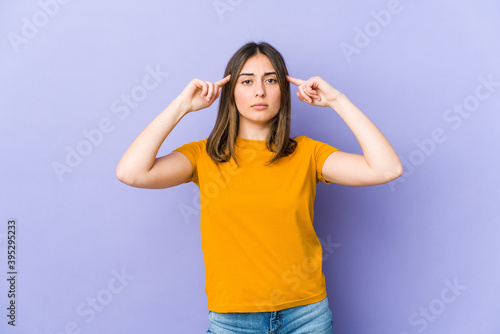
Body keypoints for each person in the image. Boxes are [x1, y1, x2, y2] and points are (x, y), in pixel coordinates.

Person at [116, 41, 403, 334]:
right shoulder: (203, 156)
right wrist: (181, 106)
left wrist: (337, 100)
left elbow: (386, 168)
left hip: (306, 317)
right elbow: (131, 172)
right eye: (247, 81)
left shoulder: (307, 153)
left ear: (283, 91)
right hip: (232, 321)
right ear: (230, 92)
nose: (259, 91)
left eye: (270, 80)